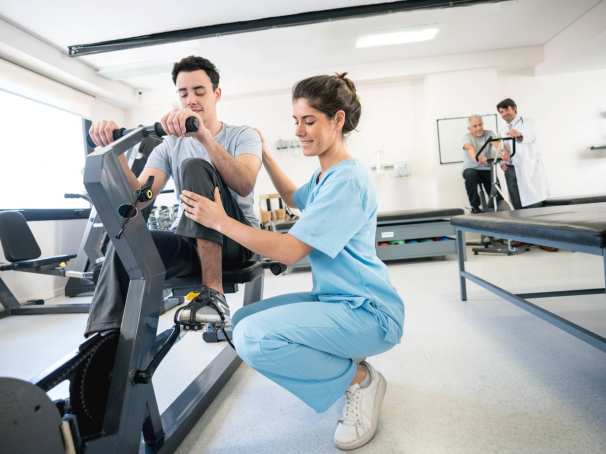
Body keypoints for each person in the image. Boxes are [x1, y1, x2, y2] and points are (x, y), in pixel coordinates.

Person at [180, 73, 404, 450]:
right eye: (296, 121)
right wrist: (264, 152)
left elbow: (288, 250)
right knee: (243, 322)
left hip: (369, 313)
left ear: (338, 120)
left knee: (253, 338)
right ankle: (346, 360)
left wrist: (219, 221)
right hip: (337, 301)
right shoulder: (325, 176)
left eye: (310, 121)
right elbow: (292, 195)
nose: (300, 130)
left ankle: (360, 380)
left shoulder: (348, 180)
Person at [85, 55, 262, 336]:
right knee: (127, 246)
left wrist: (203, 137)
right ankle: (105, 336)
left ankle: (213, 293)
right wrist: (116, 152)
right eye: (184, 93)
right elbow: (141, 196)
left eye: (199, 91)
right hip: (193, 242)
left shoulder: (243, 135)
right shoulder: (169, 146)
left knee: (194, 166)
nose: (191, 99)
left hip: (238, 240)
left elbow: (244, 184)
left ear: (216, 94)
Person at [496, 98, 549, 209]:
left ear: (514, 108)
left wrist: (519, 135)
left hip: (527, 166)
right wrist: (502, 161)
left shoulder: (528, 122)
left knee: (532, 201)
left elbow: (529, 137)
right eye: (501, 112)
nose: (504, 114)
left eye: (506, 110)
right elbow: (503, 148)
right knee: (516, 203)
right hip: (510, 168)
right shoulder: (502, 129)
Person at [461, 115, 499, 213]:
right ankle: (475, 207)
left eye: (480, 125)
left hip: (486, 169)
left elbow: (498, 146)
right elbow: (469, 148)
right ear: (469, 128)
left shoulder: (489, 133)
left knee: (495, 188)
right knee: (470, 174)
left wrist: (503, 154)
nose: (478, 128)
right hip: (471, 169)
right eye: (475, 126)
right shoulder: (466, 137)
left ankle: (495, 206)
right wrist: (477, 157)